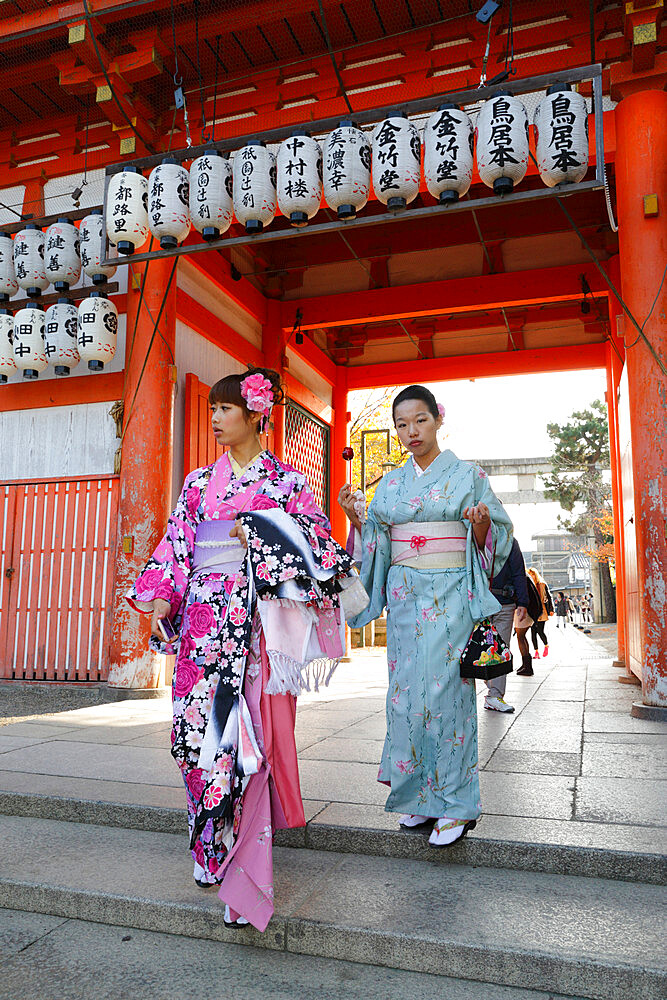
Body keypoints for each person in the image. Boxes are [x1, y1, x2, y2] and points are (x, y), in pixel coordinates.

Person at [127, 367, 353, 931]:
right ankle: (212, 845)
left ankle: (244, 874)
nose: (215, 420)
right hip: (203, 626)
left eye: (225, 410)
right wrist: (159, 598)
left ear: (256, 413)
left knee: (247, 744)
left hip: (257, 631)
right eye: (211, 411)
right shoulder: (199, 485)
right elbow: (177, 544)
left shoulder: (289, 484)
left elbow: (319, 548)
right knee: (195, 736)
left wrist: (258, 532)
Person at [338, 385, 512, 848]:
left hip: (451, 593)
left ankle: (456, 804)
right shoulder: (392, 483)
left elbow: (497, 536)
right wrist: (357, 517)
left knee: (446, 694)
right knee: (405, 695)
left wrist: (478, 523)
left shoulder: (468, 475)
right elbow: (375, 538)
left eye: (420, 420)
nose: (410, 431)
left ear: (438, 419)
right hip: (404, 598)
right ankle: (419, 798)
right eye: (401, 424)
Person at [486, 538, 531, 712]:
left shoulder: (509, 541)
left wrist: (523, 602)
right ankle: (487, 688)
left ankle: (495, 695)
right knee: (473, 649)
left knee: (500, 650)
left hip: (503, 603)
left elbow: (519, 572)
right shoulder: (471, 535)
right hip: (477, 603)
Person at [527, 566, 553, 659]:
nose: (531, 576)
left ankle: (546, 645)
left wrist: (551, 609)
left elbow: (549, 597)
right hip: (532, 612)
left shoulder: (542, 584)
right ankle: (536, 652)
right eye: (530, 575)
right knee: (533, 632)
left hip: (542, 611)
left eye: (532, 574)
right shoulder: (529, 585)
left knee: (540, 631)